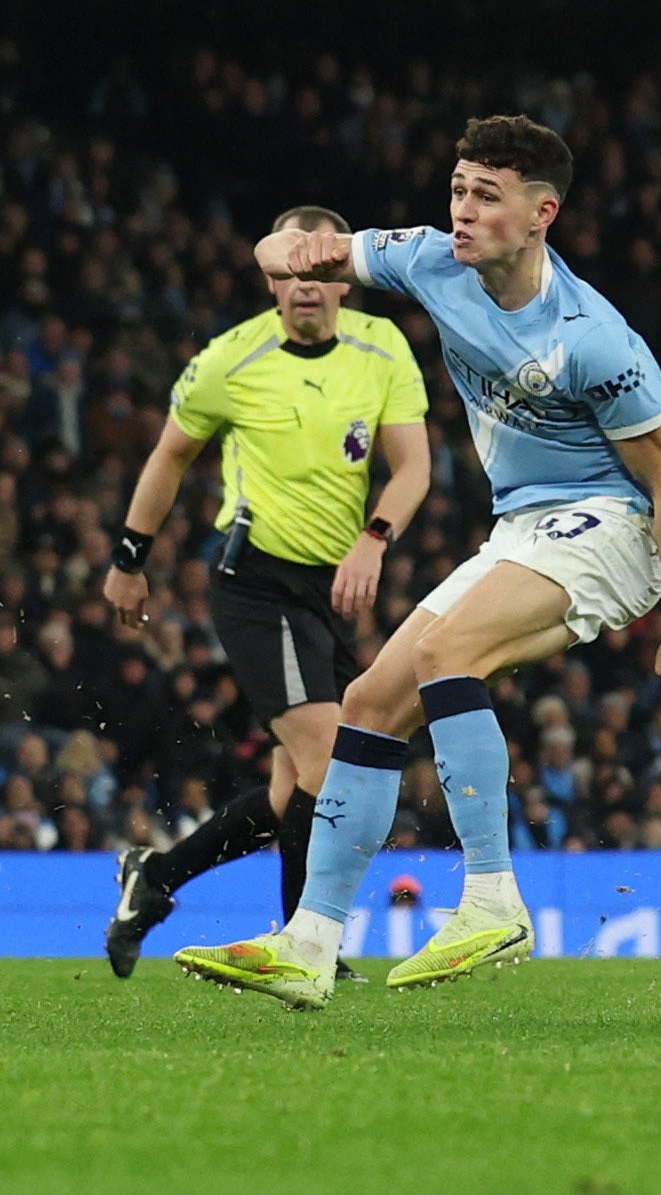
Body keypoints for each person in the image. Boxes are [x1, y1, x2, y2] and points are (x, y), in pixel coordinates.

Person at [174, 115, 661, 1007]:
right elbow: (303, 252)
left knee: (444, 653)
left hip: (611, 525)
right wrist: (285, 247)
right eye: (458, 189)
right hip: (521, 526)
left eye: (486, 196)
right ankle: (308, 942)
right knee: (369, 703)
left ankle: (494, 898)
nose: (462, 210)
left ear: (542, 214)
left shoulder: (594, 338)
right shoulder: (428, 259)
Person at [98, 204, 431, 976]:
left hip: (331, 591)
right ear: (271, 280)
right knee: (329, 762)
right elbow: (170, 454)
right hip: (257, 583)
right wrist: (129, 556)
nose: (304, 284)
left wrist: (374, 537)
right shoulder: (231, 359)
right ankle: (308, 947)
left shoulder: (382, 347)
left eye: (320, 270)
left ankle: (156, 877)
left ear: (343, 279)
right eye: (289, 271)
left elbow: (413, 464)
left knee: (292, 794)